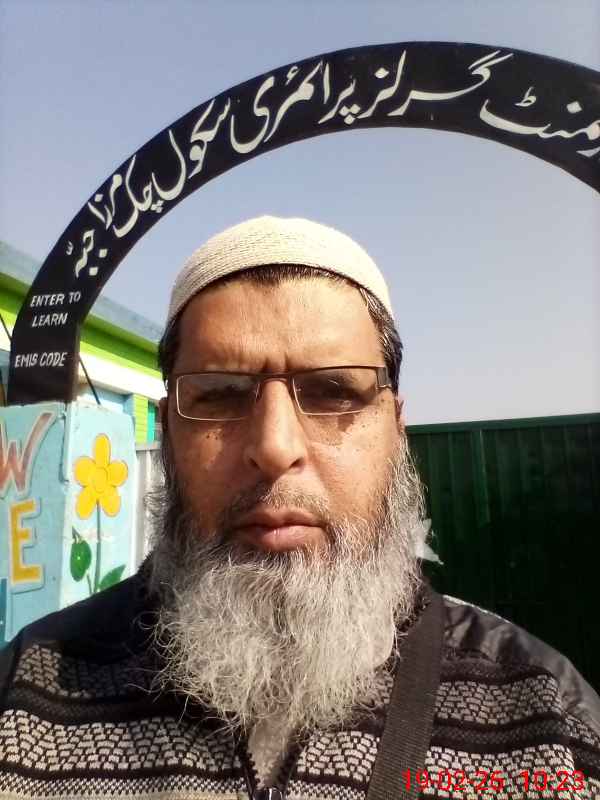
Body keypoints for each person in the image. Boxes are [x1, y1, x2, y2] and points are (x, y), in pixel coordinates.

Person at [0, 216, 599, 799]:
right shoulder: (29, 697)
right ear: (168, 433)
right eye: (219, 395)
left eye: (333, 390)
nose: (273, 447)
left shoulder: (547, 725)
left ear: (395, 432)